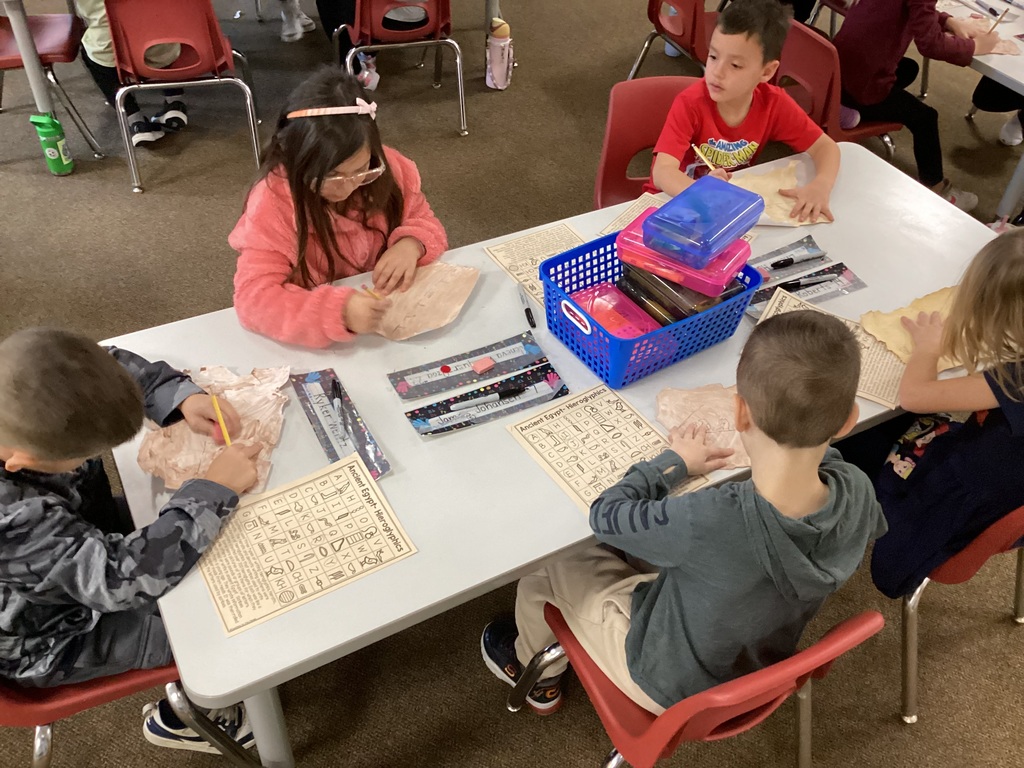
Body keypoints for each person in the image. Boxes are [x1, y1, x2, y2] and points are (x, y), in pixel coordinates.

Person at [482, 311, 887, 715]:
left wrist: (672, 463)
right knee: (667, 559)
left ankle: (536, 676)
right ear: (849, 420)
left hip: (666, 681)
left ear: (740, 413)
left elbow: (606, 515)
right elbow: (823, 468)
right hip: (757, 666)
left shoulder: (710, 517)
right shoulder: (857, 490)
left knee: (548, 564)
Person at [0, 327, 262, 753]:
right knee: (218, 621)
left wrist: (178, 396)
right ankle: (186, 718)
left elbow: (104, 365)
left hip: (79, 540)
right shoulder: (13, 520)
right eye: (82, 457)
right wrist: (212, 489)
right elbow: (118, 580)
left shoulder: (16, 382)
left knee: (210, 551)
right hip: (55, 636)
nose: (88, 460)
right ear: (24, 461)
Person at [229, 67, 448, 349]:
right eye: (331, 176)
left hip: (385, 327)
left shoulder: (387, 169)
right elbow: (253, 300)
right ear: (296, 160)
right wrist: (337, 312)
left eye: (360, 171)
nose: (347, 187)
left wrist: (412, 243)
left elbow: (423, 218)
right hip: (321, 340)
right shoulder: (274, 203)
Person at [865, 229, 1024, 598]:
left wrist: (928, 348)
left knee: (857, 444)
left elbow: (914, 396)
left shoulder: (1016, 381)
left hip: (957, 506)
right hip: (1006, 487)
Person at [647, 0, 841, 224]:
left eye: (735, 65)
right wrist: (704, 194)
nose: (716, 73)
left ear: (767, 71)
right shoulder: (690, 104)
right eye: (713, 57)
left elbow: (826, 147)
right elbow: (662, 173)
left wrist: (820, 186)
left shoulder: (773, 104)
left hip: (720, 209)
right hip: (667, 204)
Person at [832, 0, 999, 212]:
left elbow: (913, 9)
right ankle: (938, 189)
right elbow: (931, 44)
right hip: (865, 85)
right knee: (926, 118)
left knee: (908, 68)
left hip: (840, 70)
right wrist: (976, 47)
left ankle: (844, 104)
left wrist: (948, 21)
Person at [74, 0, 188, 146]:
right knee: (168, 26)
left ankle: (135, 119)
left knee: (92, 52)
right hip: (161, 49)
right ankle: (175, 102)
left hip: (113, 55)